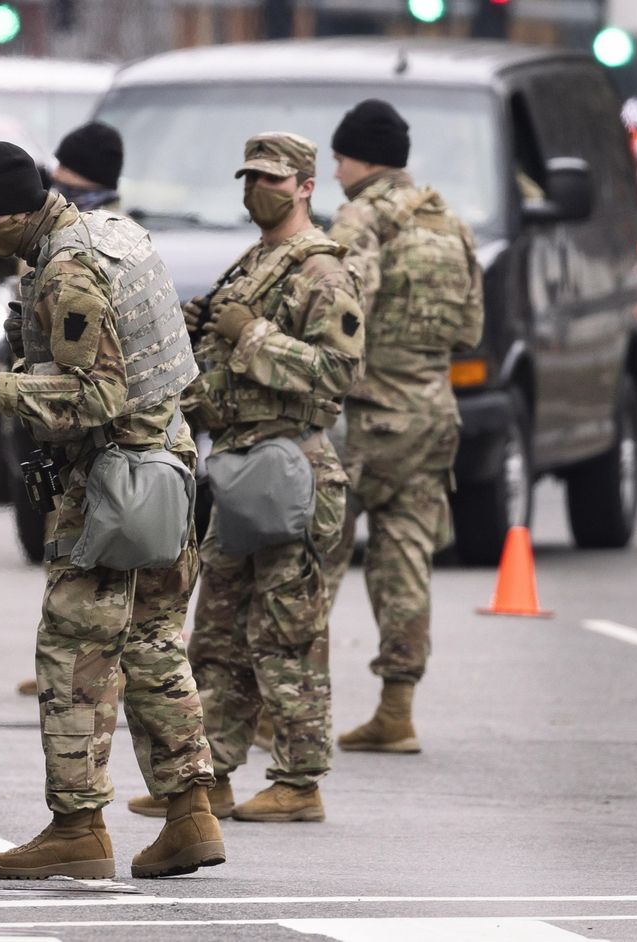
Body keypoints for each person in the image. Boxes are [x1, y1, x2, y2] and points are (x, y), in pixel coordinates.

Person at [0, 141, 225, 880]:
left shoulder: (67, 269)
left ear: (11, 213)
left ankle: (77, 827)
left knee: (74, 651)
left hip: (113, 484)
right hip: (166, 468)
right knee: (154, 643)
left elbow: (95, 396)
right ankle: (190, 813)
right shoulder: (111, 232)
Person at [148, 132, 364, 824]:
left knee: (285, 632)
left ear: (305, 186)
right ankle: (209, 776)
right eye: (249, 178)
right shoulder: (252, 264)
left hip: (291, 467)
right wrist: (200, 335)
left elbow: (338, 373)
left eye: (272, 179)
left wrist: (250, 335)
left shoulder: (322, 271)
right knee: (215, 632)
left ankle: (300, 782)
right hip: (241, 465)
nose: (257, 190)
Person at [324, 100, 483, 753]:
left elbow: (342, 314)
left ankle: (285, 709)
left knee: (314, 558)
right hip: (433, 415)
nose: (335, 173)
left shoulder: (360, 219)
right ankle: (397, 709)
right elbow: (469, 330)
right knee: (406, 560)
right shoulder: (450, 223)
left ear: (360, 160)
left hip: (364, 419)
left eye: (338, 159)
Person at [17, 119, 129, 699]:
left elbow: (96, 381)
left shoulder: (98, 245)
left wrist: (7, 388)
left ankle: (84, 673)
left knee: (113, 583)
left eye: (69, 181)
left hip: (109, 440)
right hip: (71, 439)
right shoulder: (64, 245)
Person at [51, 121, 125, 213]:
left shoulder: (107, 221)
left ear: (92, 177)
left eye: (65, 168)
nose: (55, 174)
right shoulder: (66, 213)